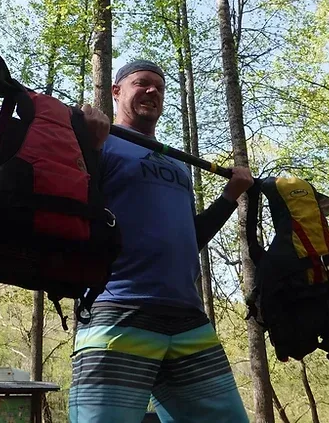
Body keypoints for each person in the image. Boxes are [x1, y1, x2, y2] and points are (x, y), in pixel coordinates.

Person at [71, 59, 253, 423]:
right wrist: (87, 146)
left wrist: (230, 197)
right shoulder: (102, 144)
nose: (153, 90)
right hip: (119, 308)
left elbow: (191, 238)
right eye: (142, 83)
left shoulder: (177, 164)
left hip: (188, 318)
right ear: (116, 91)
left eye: (159, 86)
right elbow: (75, 211)